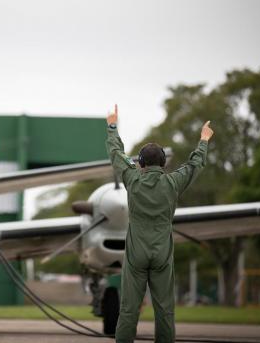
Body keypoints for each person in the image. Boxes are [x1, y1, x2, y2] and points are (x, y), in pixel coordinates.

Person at [105, 104, 213, 343]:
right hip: (163, 254)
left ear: (141, 163)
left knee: (129, 311)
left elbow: (116, 154)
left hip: (136, 255)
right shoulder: (174, 182)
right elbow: (195, 165)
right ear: (163, 162)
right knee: (165, 311)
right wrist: (204, 140)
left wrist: (112, 126)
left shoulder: (132, 179)